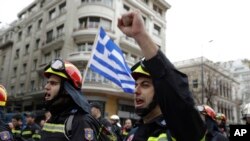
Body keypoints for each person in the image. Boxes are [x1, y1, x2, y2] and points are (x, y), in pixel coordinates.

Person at [118, 9, 206, 140]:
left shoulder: (182, 130)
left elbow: (176, 92)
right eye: (136, 85)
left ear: (162, 91)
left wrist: (141, 36)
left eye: (145, 85)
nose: (136, 90)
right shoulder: (132, 134)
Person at [40, 59, 107, 141]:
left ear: (67, 90)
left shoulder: (81, 121)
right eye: (47, 82)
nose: (46, 87)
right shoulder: (52, 118)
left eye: (53, 83)